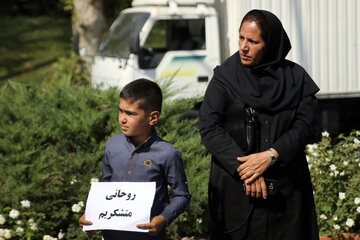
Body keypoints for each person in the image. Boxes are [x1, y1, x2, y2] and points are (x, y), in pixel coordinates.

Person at [199, 9, 320, 240]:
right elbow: (209, 127)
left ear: (270, 44)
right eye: (241, 38)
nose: (243, 47)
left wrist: (271, 155)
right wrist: (247, 171)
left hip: (287, 193)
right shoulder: (225, 77)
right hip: (237, 190)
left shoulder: (296, 79)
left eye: (253, 41)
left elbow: (306, 126)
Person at [79, 78, 191, 240]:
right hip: (112, 236)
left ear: (153, 118)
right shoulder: (112, 144)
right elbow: (106, 187)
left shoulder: (168, 153)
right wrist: (92, 216)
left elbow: (181, 196)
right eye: (120, 110)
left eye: (130, 113)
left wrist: (162, 219)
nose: (122, 119)